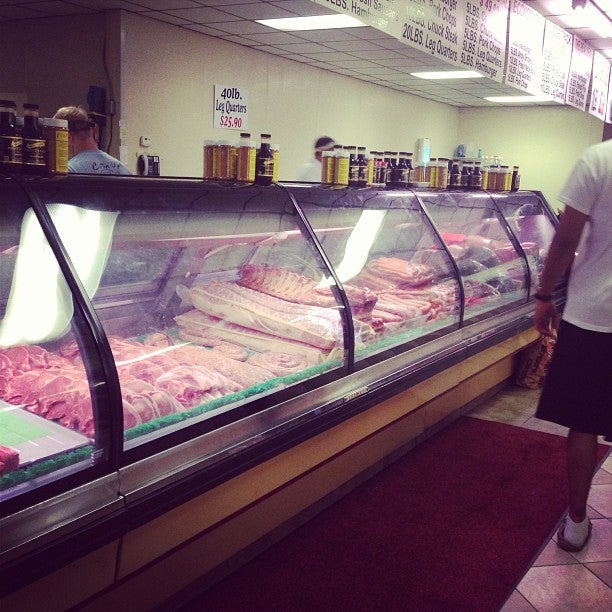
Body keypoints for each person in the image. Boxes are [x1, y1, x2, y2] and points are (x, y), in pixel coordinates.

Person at [534, 138, 611, 553]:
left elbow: (566, 239)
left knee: (583, 424)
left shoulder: (598, 159)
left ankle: (577, 523)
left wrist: (545, 295)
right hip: (592, 314)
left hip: (592, 314)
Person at [53, 105, 131, 175]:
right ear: (93, 131)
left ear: (67, 137)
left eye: (56, 141)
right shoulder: (124, 171)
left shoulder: (68, 172)